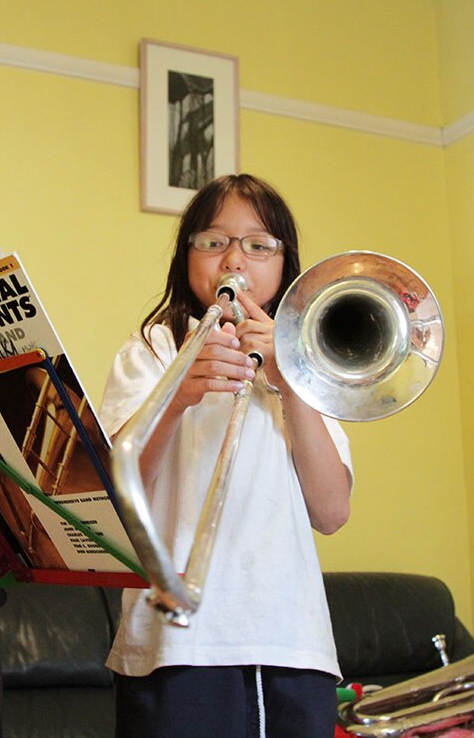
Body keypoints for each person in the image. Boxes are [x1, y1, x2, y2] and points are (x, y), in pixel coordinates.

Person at [99, 173, 354, 738]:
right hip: (176, 644)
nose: (234, 257)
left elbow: (332, 512)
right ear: (186, 256)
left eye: (259, 245)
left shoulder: (309, 361)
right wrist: (177, 396)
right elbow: (117, 494)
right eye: (213, 242)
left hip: (293, 640)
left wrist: (290, 381)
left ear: (285, 265)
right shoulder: (152, 350)